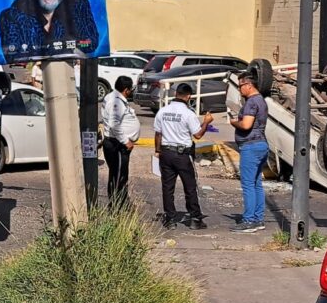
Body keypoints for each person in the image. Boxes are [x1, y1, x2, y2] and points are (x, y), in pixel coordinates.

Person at [153, 84, 214, 230]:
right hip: (182, 155)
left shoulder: (163, 111)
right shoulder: (188, 114)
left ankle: (170, 219)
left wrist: (158, 151)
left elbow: (158, 133)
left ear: (176, 93)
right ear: (188, 96)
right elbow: (198, 134)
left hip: (166, 153)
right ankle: (195, 219)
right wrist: (206, 122)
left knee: (168, 187)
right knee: (190, 187)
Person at [228, 73, 269, 233]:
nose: (239, 89)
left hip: (251, 147)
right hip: (261, 145)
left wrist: (233, 122)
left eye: (240, 86)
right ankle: (258, 218)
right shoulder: (262, 101)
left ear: (249, 85)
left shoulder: (252, 102)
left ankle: (249, 220)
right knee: (256, 184)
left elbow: (246, 125)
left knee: (248, 185)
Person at [100, 75, 140, 208]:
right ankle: (117, 207)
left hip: (116, 142)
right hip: (117, 144)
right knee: (119, 177)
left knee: (117, 175)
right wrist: (126, 141)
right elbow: (114, 124)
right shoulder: (116, 102)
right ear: (126, 90)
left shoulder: (113, 97)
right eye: (131, 89)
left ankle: (120, 203)